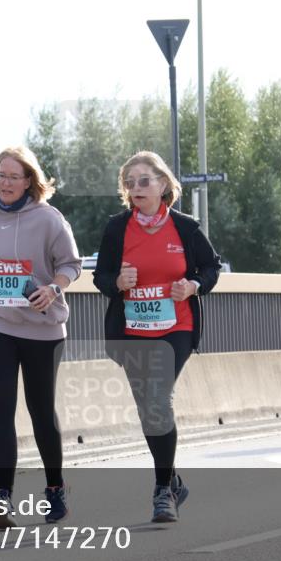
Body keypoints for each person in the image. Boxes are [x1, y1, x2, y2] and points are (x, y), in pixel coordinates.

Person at [0, 146, 82, 526]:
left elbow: (71, 265)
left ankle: (55, 488)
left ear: (29, 181)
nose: (6, 183)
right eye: (1, 175)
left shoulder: (49, 219)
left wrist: (53, 289)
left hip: (42, 327)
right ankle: (2, 496)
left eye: (14, 176)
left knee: (41, 412)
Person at [93, 151, 222, 522]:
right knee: (148, 409)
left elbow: (211, 267)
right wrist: (117, 282)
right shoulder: (117, 229)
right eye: (129, 183)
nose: (136, 188)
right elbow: (101, 277)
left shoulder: (185, 228)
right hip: (131, 331)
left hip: (175, 328)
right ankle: (174, 480)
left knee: (158, 399)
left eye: (144, 181)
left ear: (163, 184)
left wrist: (193, 285)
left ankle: (162, 491)